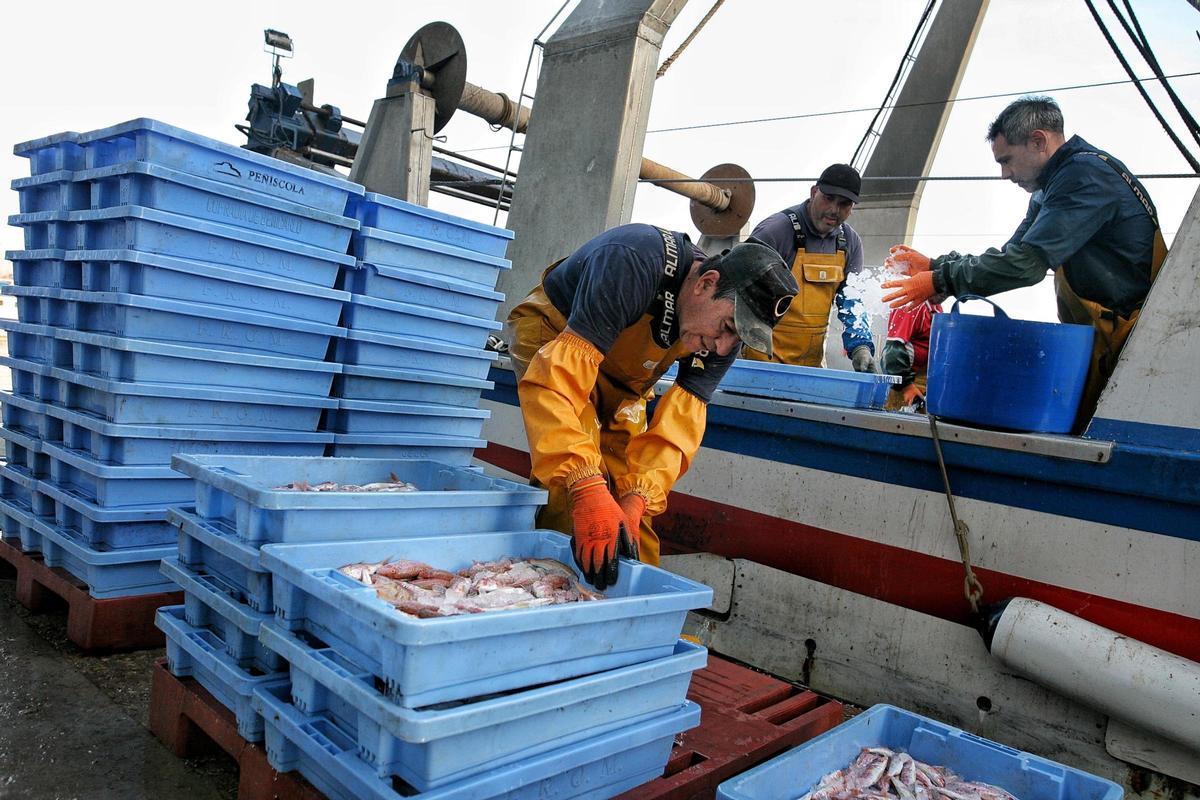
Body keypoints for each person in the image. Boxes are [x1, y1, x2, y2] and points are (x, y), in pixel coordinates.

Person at [506, 223, 799, 589]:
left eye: (737, 337)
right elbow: (559, 387)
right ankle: (548, 602)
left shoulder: (721, 336)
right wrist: (586, 486)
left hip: (624, 377)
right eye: (727, 326)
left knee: (632, 520)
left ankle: (636, 612)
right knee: (574, 490)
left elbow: (678, 427)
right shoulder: (634, 260)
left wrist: (637, 498)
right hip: (559, 340)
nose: (724, 347)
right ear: (706, 282)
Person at [881, 95, 1166, 429]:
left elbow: (1026, 266)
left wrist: (942, 281)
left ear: (1038, 141)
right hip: (1097, 339)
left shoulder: (1085, 177)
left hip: (1134, 340)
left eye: (1007, 160)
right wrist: (937, 265)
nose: (1004, 174)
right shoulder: (1050, 188)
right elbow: (1009, 256)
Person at [741, 163, 877, 372]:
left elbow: (853, 302)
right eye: (828, 198)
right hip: (759, 364)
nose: (834, 210)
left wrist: (861, 346)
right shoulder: (776, 231)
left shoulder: (849, 242)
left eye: (844, 204)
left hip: (809, 367)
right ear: (814, 192)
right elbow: (736, 290)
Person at [881, 300, 941, 411]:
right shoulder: (912, 305)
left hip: (924, 381)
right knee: (900, 424)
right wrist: (906, 386)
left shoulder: (936, 308)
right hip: (906, 386)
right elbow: (892, 352)